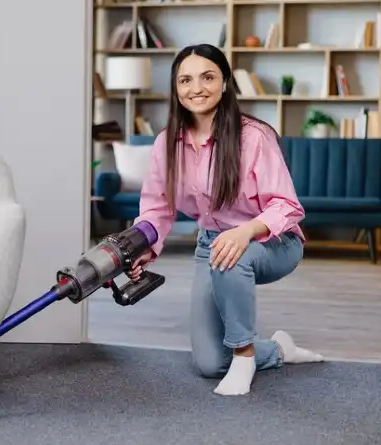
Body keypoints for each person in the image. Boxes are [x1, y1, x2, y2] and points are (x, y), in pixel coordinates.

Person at [125, 43, 324, 396]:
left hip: (273, 241)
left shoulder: (254, 136)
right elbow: (157, 208)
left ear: (225, 82)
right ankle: (278, 349)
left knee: (230, 254)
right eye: (185, 80)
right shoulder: (165, 144)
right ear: (175, 88)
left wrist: (244, 231)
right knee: (209, 363)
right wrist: (143, 246)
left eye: (207, 77)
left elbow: (287, 206)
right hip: (212, 244)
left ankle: (245, 356)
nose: (196, 88)